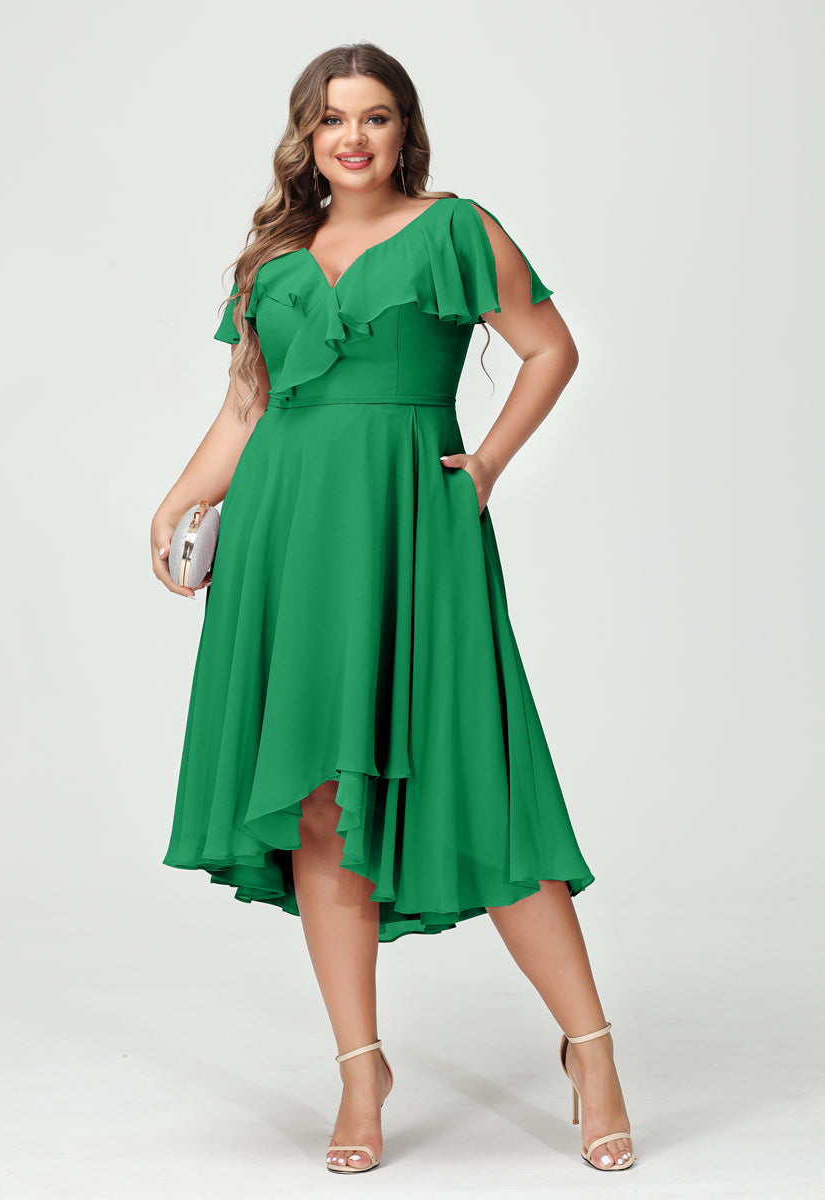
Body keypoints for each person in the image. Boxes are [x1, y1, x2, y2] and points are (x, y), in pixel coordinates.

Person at [150, 42, 636, 1176]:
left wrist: (489, 465)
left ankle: (593, 1049)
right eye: (332, 119)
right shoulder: (274, 262)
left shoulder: (457, 228)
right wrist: (179, 497)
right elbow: (246, 408)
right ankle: (360, 1071)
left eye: (373, 116)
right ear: (307, 138)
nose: (353, 137)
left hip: (413, 530)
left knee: (484, 785)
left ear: (404, 130)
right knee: (320, 801)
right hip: (285, 538)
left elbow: (549, 348)